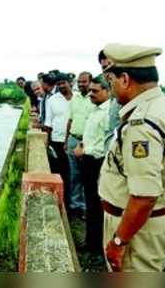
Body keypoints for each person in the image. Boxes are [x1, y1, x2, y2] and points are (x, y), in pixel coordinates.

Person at [99, 43, 165, 272]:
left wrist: (119, 241)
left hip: (138, 232)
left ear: (125, 79)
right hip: (148, 225)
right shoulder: (164, 108)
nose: (110, 89)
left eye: (111, 82)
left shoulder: (142, 124)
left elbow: (144, 196)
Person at [73, 74, 110, 268]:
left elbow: (106, 146)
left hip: (97, 163)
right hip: (87, 160)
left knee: (97, 207)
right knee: (90, 204)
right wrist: (82, 145)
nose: (91, 94)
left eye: (95, 91)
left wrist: (84, 150)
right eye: (91, 91)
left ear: (107, 91)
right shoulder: (95, 110)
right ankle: (90, 243)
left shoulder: (107, 113)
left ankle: (97, 250)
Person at [64, 71, 93, 218]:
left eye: (84, 82)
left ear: (90, 82)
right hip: (73, 139)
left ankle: (85, 206)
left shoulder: (94, 99)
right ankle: (75, 205)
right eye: (79, 82)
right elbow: (70, 121)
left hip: (87, 142)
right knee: (74, 175)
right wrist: (66, 140)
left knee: (86, 175)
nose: (81, 84)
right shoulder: (74, 99)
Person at [45, 72, 73, 207]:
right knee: (63, 172)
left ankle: (74, 201)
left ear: (70, 83)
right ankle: (64, 202)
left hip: (74, 140)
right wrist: (47, 143)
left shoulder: (78, 98)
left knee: (75, 173)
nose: (62, 86)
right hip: (57, 140)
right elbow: (48, 122)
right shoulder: (52, 100)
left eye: (64, 82)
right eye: (59, 83)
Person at [99, 50, 122, 152]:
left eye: (111, 66)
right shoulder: (114, 97)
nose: (108, 72)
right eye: (104, 68)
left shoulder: (127, 99)